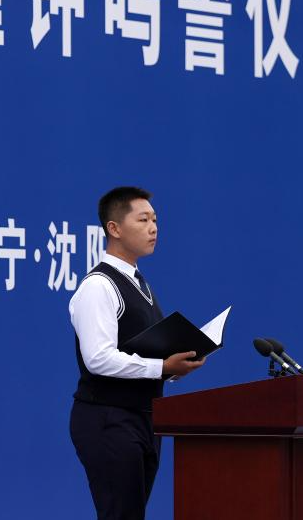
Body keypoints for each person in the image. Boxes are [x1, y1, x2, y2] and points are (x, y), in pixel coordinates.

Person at [68, 186, 205, 520]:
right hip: (108, 418)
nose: (153, 228)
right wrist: (161, 366)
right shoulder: (99, 286)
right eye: (143, 220)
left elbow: (140, 352)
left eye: (155, 220)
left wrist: (174, 367)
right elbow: (98, 358)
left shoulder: (139, 283)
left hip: (144, 418)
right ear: (114, 228)